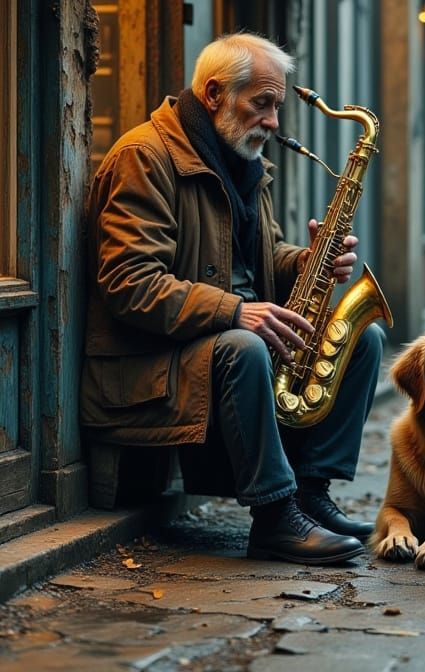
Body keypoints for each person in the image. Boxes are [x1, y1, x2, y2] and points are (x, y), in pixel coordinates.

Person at [80, 32, 384, 565]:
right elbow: (129, 283)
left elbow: (252, 262)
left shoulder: (241, 162)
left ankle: (311, 495)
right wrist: (235, 311)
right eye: (261, 104)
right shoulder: (142, 158)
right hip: (146, 369)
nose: (273, 121)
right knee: (245, 345)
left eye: (277, 106)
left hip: (212, 350)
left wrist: (309, 261)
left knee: (363, 337)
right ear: (216, 94)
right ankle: (273, 517)